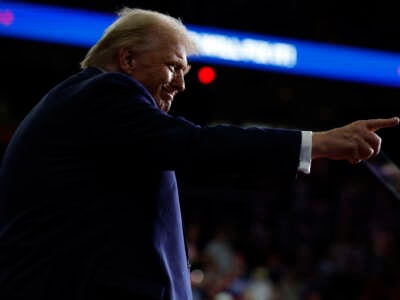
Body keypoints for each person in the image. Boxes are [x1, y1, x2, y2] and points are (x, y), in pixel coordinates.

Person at [0, 7, 398, 300]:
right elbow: (199, 146)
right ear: (127, 59)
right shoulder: (105, 94)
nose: (181, 85)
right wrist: (318, 142)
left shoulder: (88, 109)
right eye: (174, 67)